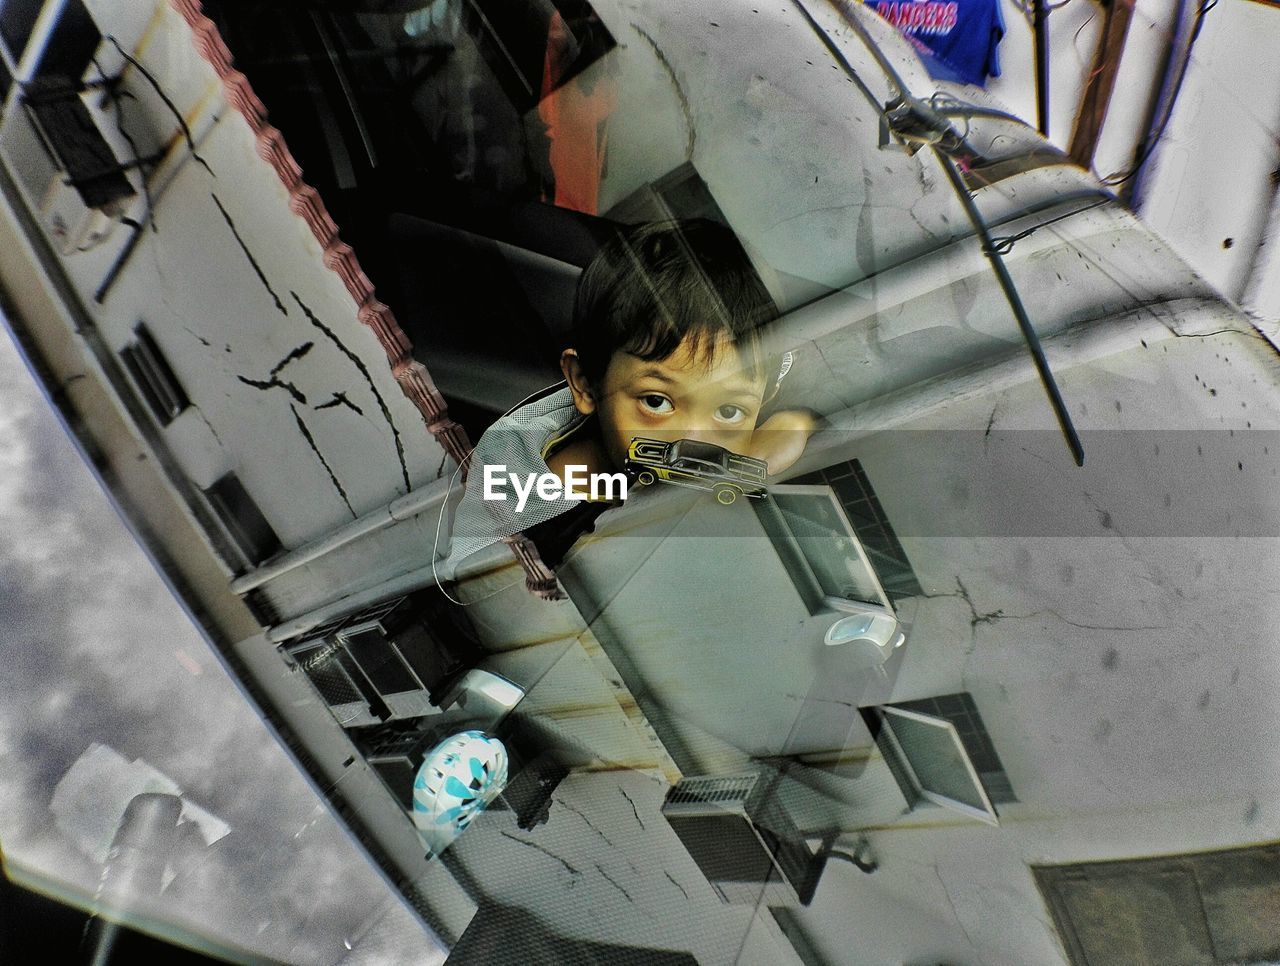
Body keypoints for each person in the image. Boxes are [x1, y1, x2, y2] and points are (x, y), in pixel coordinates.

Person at [440, 219, 815, 580]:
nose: (694, 445)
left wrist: (790, 429)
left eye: (729, 411)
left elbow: (802, 406)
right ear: (585, 383)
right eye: (656, 402)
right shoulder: (542, 513)